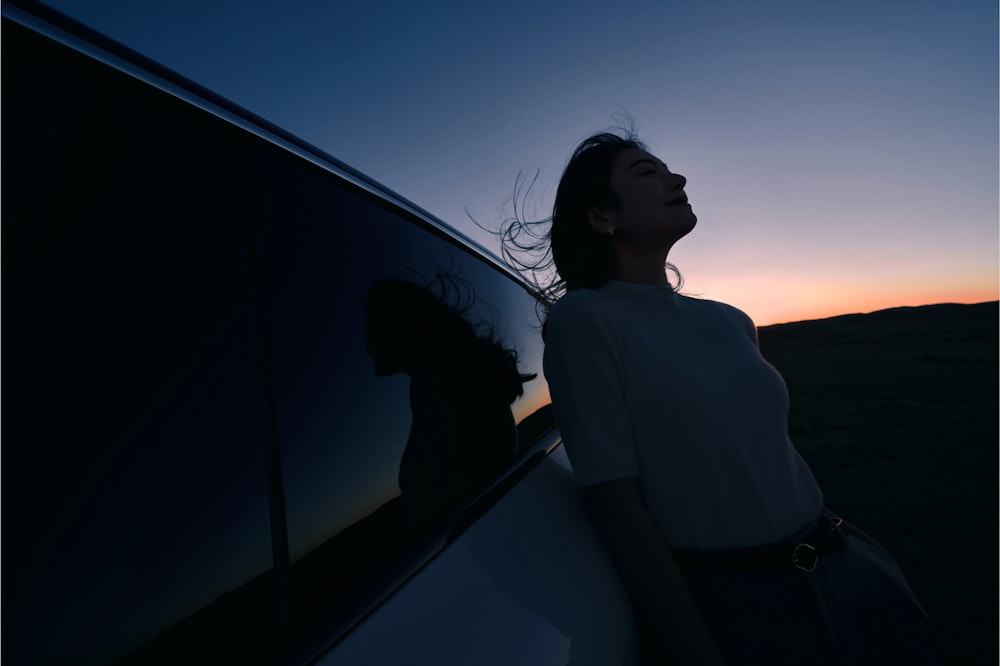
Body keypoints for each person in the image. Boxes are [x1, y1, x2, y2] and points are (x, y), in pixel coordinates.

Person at [498, 129, 938, 665]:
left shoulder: (730, 320)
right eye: (647, 173)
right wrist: (692, 646)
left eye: (668, 170)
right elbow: (615, 503)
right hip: (743, 598)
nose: (676, 179)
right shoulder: (587, 320)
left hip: (842, 557)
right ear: (600, 218)